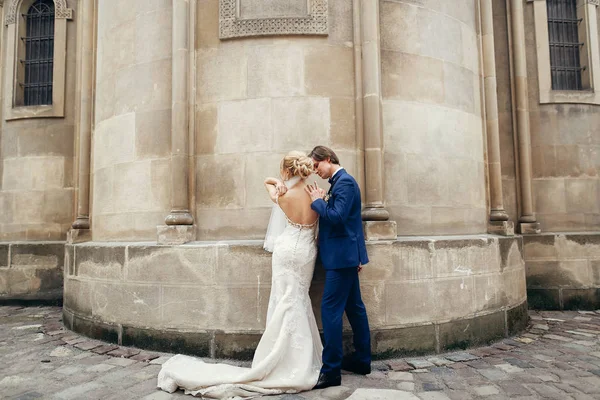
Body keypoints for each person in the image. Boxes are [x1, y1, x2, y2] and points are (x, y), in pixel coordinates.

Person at [157, 151, 323, 398]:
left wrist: (275, 181)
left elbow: (266, 183)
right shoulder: (315, 194)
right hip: (307, 252)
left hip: (286, 250)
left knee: (284, 300)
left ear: (287, 171)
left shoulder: (283, 195)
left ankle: (280, 357)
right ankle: (298, 358)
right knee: (298, 298)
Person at [305, 145, 371, 389]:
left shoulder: (345, 183)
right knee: (354, 308)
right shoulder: (339, 183)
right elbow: (352, 224)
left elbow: (338, 217)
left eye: (316, 166)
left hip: (342, 259)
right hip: (346, 256)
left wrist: (317, 202)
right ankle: (363, 360)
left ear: (328, 159)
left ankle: (331, 370)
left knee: (330, 310)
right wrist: (358, 257)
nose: (315, 171)